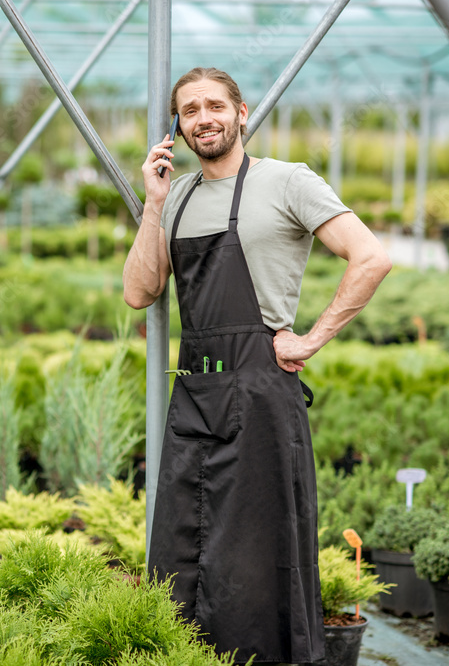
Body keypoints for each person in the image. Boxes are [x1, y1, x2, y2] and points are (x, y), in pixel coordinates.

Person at [123, 67, 391, 664]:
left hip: (262, 392)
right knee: (181, 549)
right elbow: (140, 293)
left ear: (241, 113)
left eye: (215, 105)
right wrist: (153, 205)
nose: (204, 118)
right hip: (195, 395)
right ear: (178, 126)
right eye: (189, 110)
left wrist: (313, 338)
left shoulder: (288, 182)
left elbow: (371, 258)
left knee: (255, 556)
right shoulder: (179, 197)